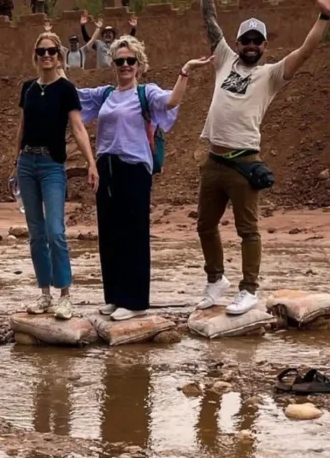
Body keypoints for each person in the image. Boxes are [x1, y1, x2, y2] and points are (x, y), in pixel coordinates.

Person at [198, 0, 330, 315]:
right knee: (205, 226)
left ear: (264, 47)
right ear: (238, 43)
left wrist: (324, 16)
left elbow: (305, 51)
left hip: (244, 162)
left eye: (256, 42)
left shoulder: (271, 74)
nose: (250, 46)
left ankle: (248, 289)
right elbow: (209, 19)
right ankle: (216, 281)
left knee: (247, 229)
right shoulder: (224, 59)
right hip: (214, 160)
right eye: (245, 40)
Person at [78, 37, 213, 321]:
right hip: (106, 168)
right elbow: (72, 97)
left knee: (134, 233)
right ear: (113, 64)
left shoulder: (146, 93)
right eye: (120, 61)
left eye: (131, 61)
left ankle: (136, 301)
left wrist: (185, 71)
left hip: (134, 168)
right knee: (110, 234)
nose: (125, 65)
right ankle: (115, 297)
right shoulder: (105, 94)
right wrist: (53, 68)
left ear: (139, 65)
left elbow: (172, 101)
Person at [16, 31, 97, 319]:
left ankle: (65, 295)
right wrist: (15, 162)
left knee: (55, 231)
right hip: (27, 163)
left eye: (51, 51)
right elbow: (22, 126)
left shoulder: (66, 89)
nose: (46, 56)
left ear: (59, 56)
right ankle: (45, 294)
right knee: (36, 233)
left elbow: (77, 127)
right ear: (35, 56)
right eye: (41, 51)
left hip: (52, 165)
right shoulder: (27, 88)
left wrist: (91, 162)